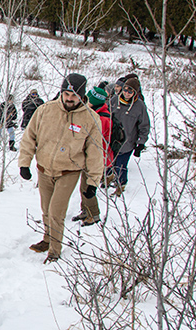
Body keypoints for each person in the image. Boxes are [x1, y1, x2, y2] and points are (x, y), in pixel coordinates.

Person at [18, 73, 104, 263]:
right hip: (44, 168)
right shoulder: (45, 110)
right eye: (66, 94)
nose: (69, 98)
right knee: (46, 209)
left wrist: (92, 182)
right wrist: (25, 163)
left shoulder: (91, 119)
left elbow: (96, 153)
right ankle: (47, 239)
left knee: (57, 212)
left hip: (69, 171)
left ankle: (55, 250)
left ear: (81, 96)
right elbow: (29, 137)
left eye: (74, 95)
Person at [72, 86, 113, 226]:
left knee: (89, 187)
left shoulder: (102, 118)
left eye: (88, 100)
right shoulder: (93, 112)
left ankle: (93, 215)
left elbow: (97, 141)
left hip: (97, 157)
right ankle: (85, 210)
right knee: (83, 186)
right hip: (87, 155)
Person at [107, 74, 150, 196]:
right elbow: (106, 116)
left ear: (135, 93)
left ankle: (121, 185)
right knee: (109, 162)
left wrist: (140, 143)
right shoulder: (114, 100)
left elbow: (144, 126)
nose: (126, 93)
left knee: (121, 165)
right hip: (111, 140)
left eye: (130, 91)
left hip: (127, 142)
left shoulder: (139, 106)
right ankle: (109, 178)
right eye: (125, 89)